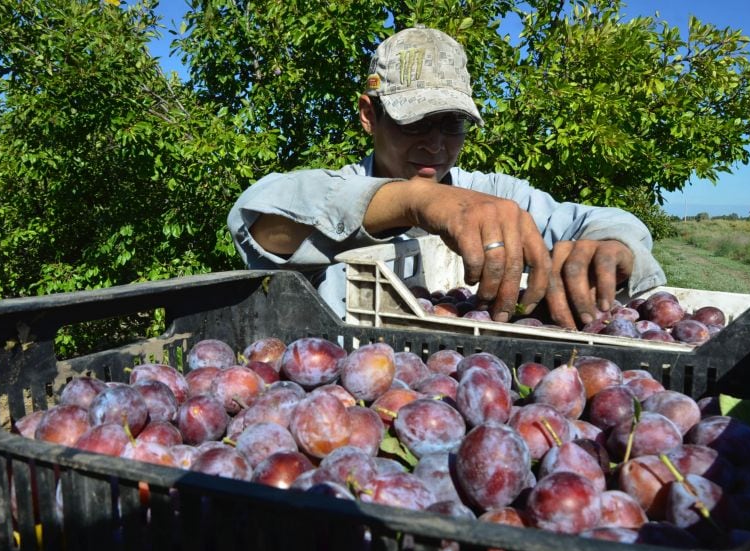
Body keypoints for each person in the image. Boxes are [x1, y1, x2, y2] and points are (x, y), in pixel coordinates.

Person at [228, 26, 666, 328]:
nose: (436, 146)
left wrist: (613, 247)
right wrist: (415, 200)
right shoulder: (338, 187)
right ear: (368, 115)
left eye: (452, 124)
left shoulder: (493, 196)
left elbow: (601, 220)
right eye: (415, 122)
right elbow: (261, 219)